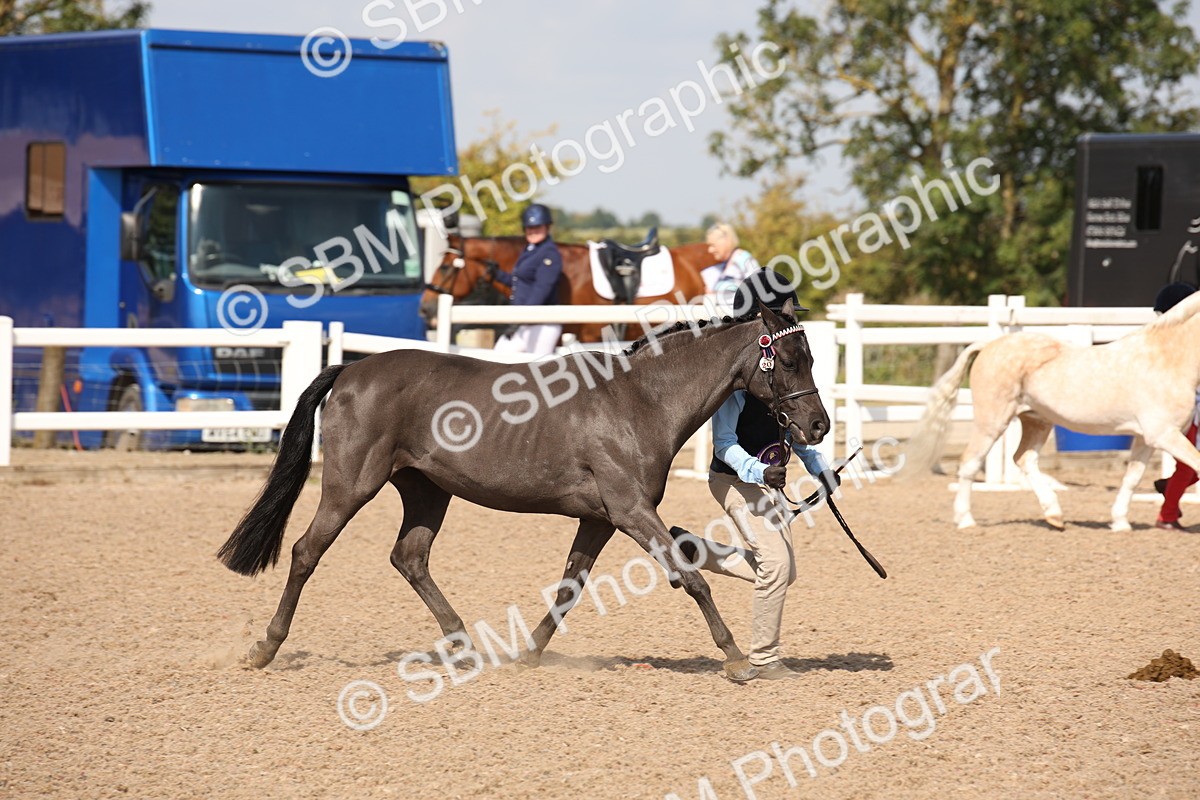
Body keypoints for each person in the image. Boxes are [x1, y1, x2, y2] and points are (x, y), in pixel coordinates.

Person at [668, 269, 838, 681]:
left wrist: (819, 468)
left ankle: (692, 551)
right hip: (733, 480)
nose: (790, 321)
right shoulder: (737, 385)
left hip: (765, 481)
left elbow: (791, 432)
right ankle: (763, 659)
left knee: (783, 573)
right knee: (775, 566)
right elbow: (724, 444)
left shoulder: (780, 375)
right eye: (783, 315)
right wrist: (760, 470)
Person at [1152, 281, 1200, 531]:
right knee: (1188, 463)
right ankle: (1167, 515)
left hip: (1189, 406)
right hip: (1182, 408)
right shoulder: (1176, 342)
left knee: (1189, 465)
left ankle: (1169, 488)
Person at [493, 203, 563, 356]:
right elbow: (519, 281)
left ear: (547, 227)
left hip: (542, 324)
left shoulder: (550, 254)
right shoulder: (530, 250)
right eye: (529, 227)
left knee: (538, 366)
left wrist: (522, 317)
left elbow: (541, 289)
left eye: (537, 227)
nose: (532, 231)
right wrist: (496, 274)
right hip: (524, 321)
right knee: (498, 355)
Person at [702, 223, 761, 306]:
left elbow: (759, 289)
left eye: (713, 245)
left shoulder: (743, 259)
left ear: (725, 242)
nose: (710, 250)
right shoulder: (722, 266)